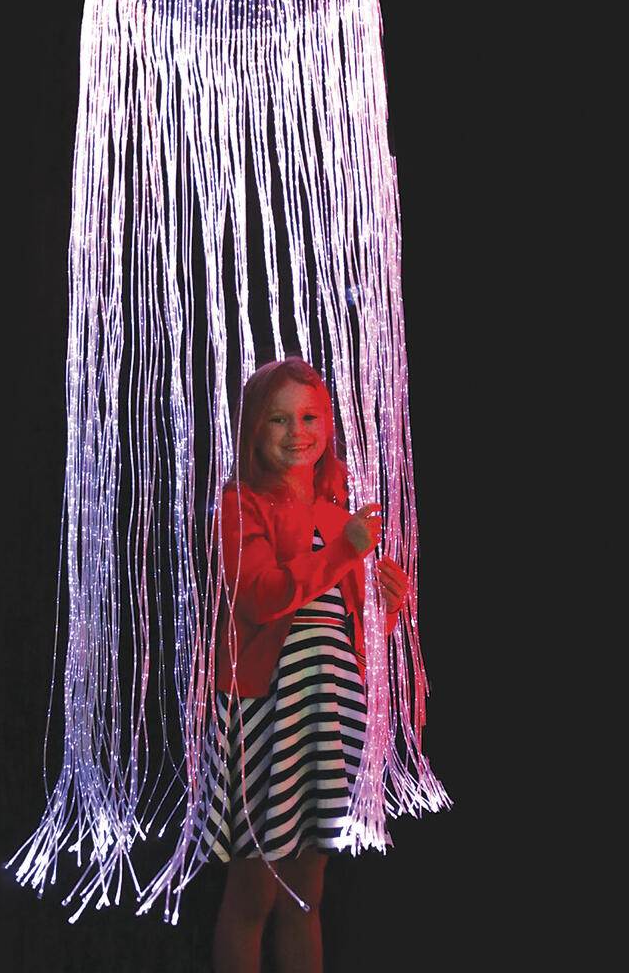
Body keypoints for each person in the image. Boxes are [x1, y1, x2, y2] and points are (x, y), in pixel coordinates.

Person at [210, 356, 407, 973]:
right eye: (279, 419)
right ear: (253, 429)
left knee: (307, 890)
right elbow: (260, 596)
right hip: (268, 708)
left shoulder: (335, 511)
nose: (297, 432)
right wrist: (343, 552)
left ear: (327, 425)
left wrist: (386, 610)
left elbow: (349, 630)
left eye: (310, 417)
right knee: (254, 890)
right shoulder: (241, 505)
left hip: (330, 703)